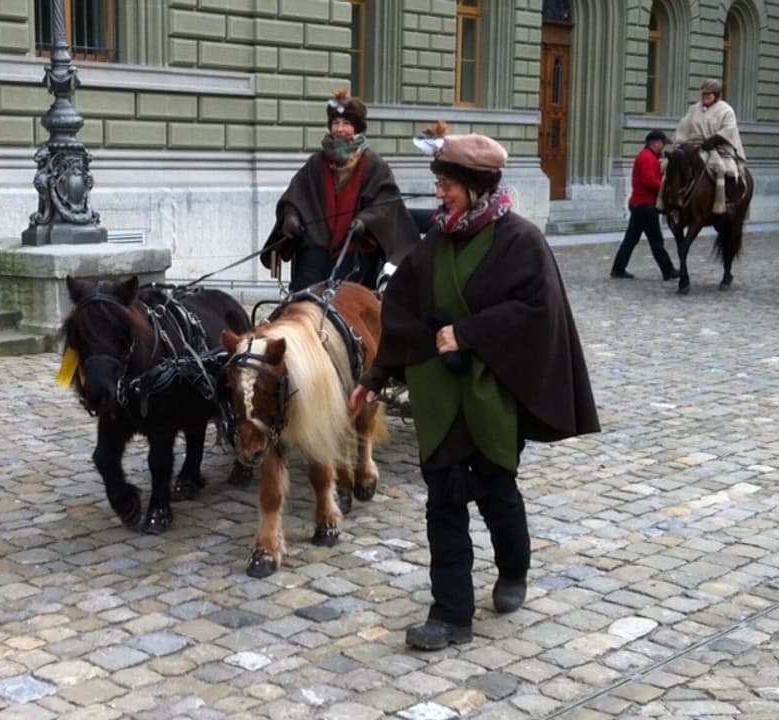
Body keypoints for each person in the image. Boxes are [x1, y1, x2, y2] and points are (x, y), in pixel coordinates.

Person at [349, 122, 600, 651]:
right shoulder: (436, 240)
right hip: (439, 395)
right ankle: (450, 614)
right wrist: (374, 377)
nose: (439, 191)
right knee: (442, 500)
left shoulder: (521, 241)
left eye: (448, 182)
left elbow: (538, 313)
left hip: (491, 395)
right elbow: (401, 310)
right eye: (439, 180)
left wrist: (468, 332)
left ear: (478, 185)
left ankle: (513, 570)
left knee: (496, 492)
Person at [259, 88, 418, 291]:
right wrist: (291, 215)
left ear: (357, 128)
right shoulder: (316, 163)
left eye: (347, 123)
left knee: (341, 299)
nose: (340, 129)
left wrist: (365, 221)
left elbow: (385, 205)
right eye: (336, 123)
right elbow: (296, 195)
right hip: (316, 248)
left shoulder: (374, 165)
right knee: (303, 295)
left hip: (353, 250)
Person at [610, 130, 679, 280]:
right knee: (656, 241)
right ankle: (668, 271)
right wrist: (665, 188)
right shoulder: (647, 158)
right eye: (662, 143)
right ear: (654, 143)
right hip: (646, 206)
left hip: (640, 205)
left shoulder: (648, 157)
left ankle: (618, 269)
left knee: (630, 240)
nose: (663, 146)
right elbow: (649, 180)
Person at [672, 78, 746, 215]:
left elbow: (729, 129)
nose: (705, 97)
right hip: (694, 146)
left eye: (709, 95)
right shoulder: (694, 109)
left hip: (718, 147)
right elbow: (684, 126)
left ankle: (729, 201)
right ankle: (666, 200)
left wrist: (714, 139)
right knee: (671, 165)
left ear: (716, 95)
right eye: (704, 94)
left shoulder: (726, 110)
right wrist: (682, 143)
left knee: (726, 168)